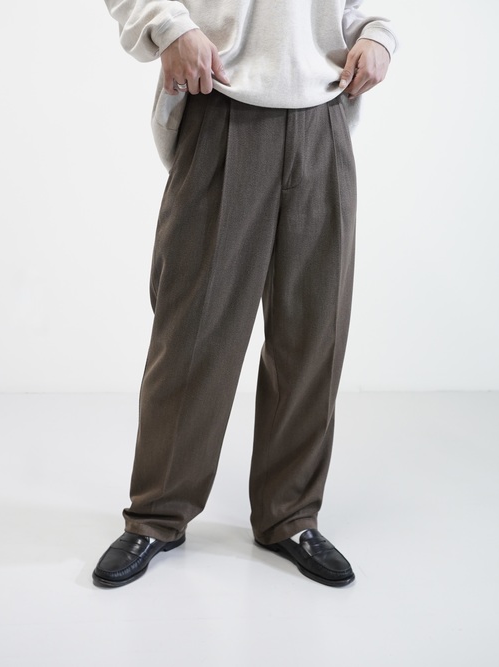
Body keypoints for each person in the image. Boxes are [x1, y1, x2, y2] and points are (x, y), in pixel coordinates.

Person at [93, 0, 397, 588]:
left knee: (313, 335)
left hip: (324, 113)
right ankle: (158, 515)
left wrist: (378, 35)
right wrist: (169, 27)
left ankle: (290, 515)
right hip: (222, 101)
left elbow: (360, 8)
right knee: (194, 334)